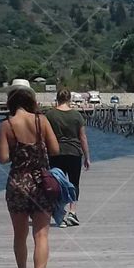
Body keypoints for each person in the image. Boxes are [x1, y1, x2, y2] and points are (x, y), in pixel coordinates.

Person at [0, 85, 60, 268]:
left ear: (11, 101)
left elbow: (3, 158)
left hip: (17, 183)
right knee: (41, 234)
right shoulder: (41, 121)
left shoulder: (7, 125)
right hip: (40, 182)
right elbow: (55, 149)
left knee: (20, 234)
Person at [45, 88, 90, 226]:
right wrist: (87, 156)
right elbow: (82, 137)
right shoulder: (77, 116)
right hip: (74, 152)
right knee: (74, 183)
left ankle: (61, 213)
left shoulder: (50, 114)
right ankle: (73, 212)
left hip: (55, 153)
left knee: (57, 184)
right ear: (69, 99)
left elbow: (44, 135)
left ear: (57, 99)